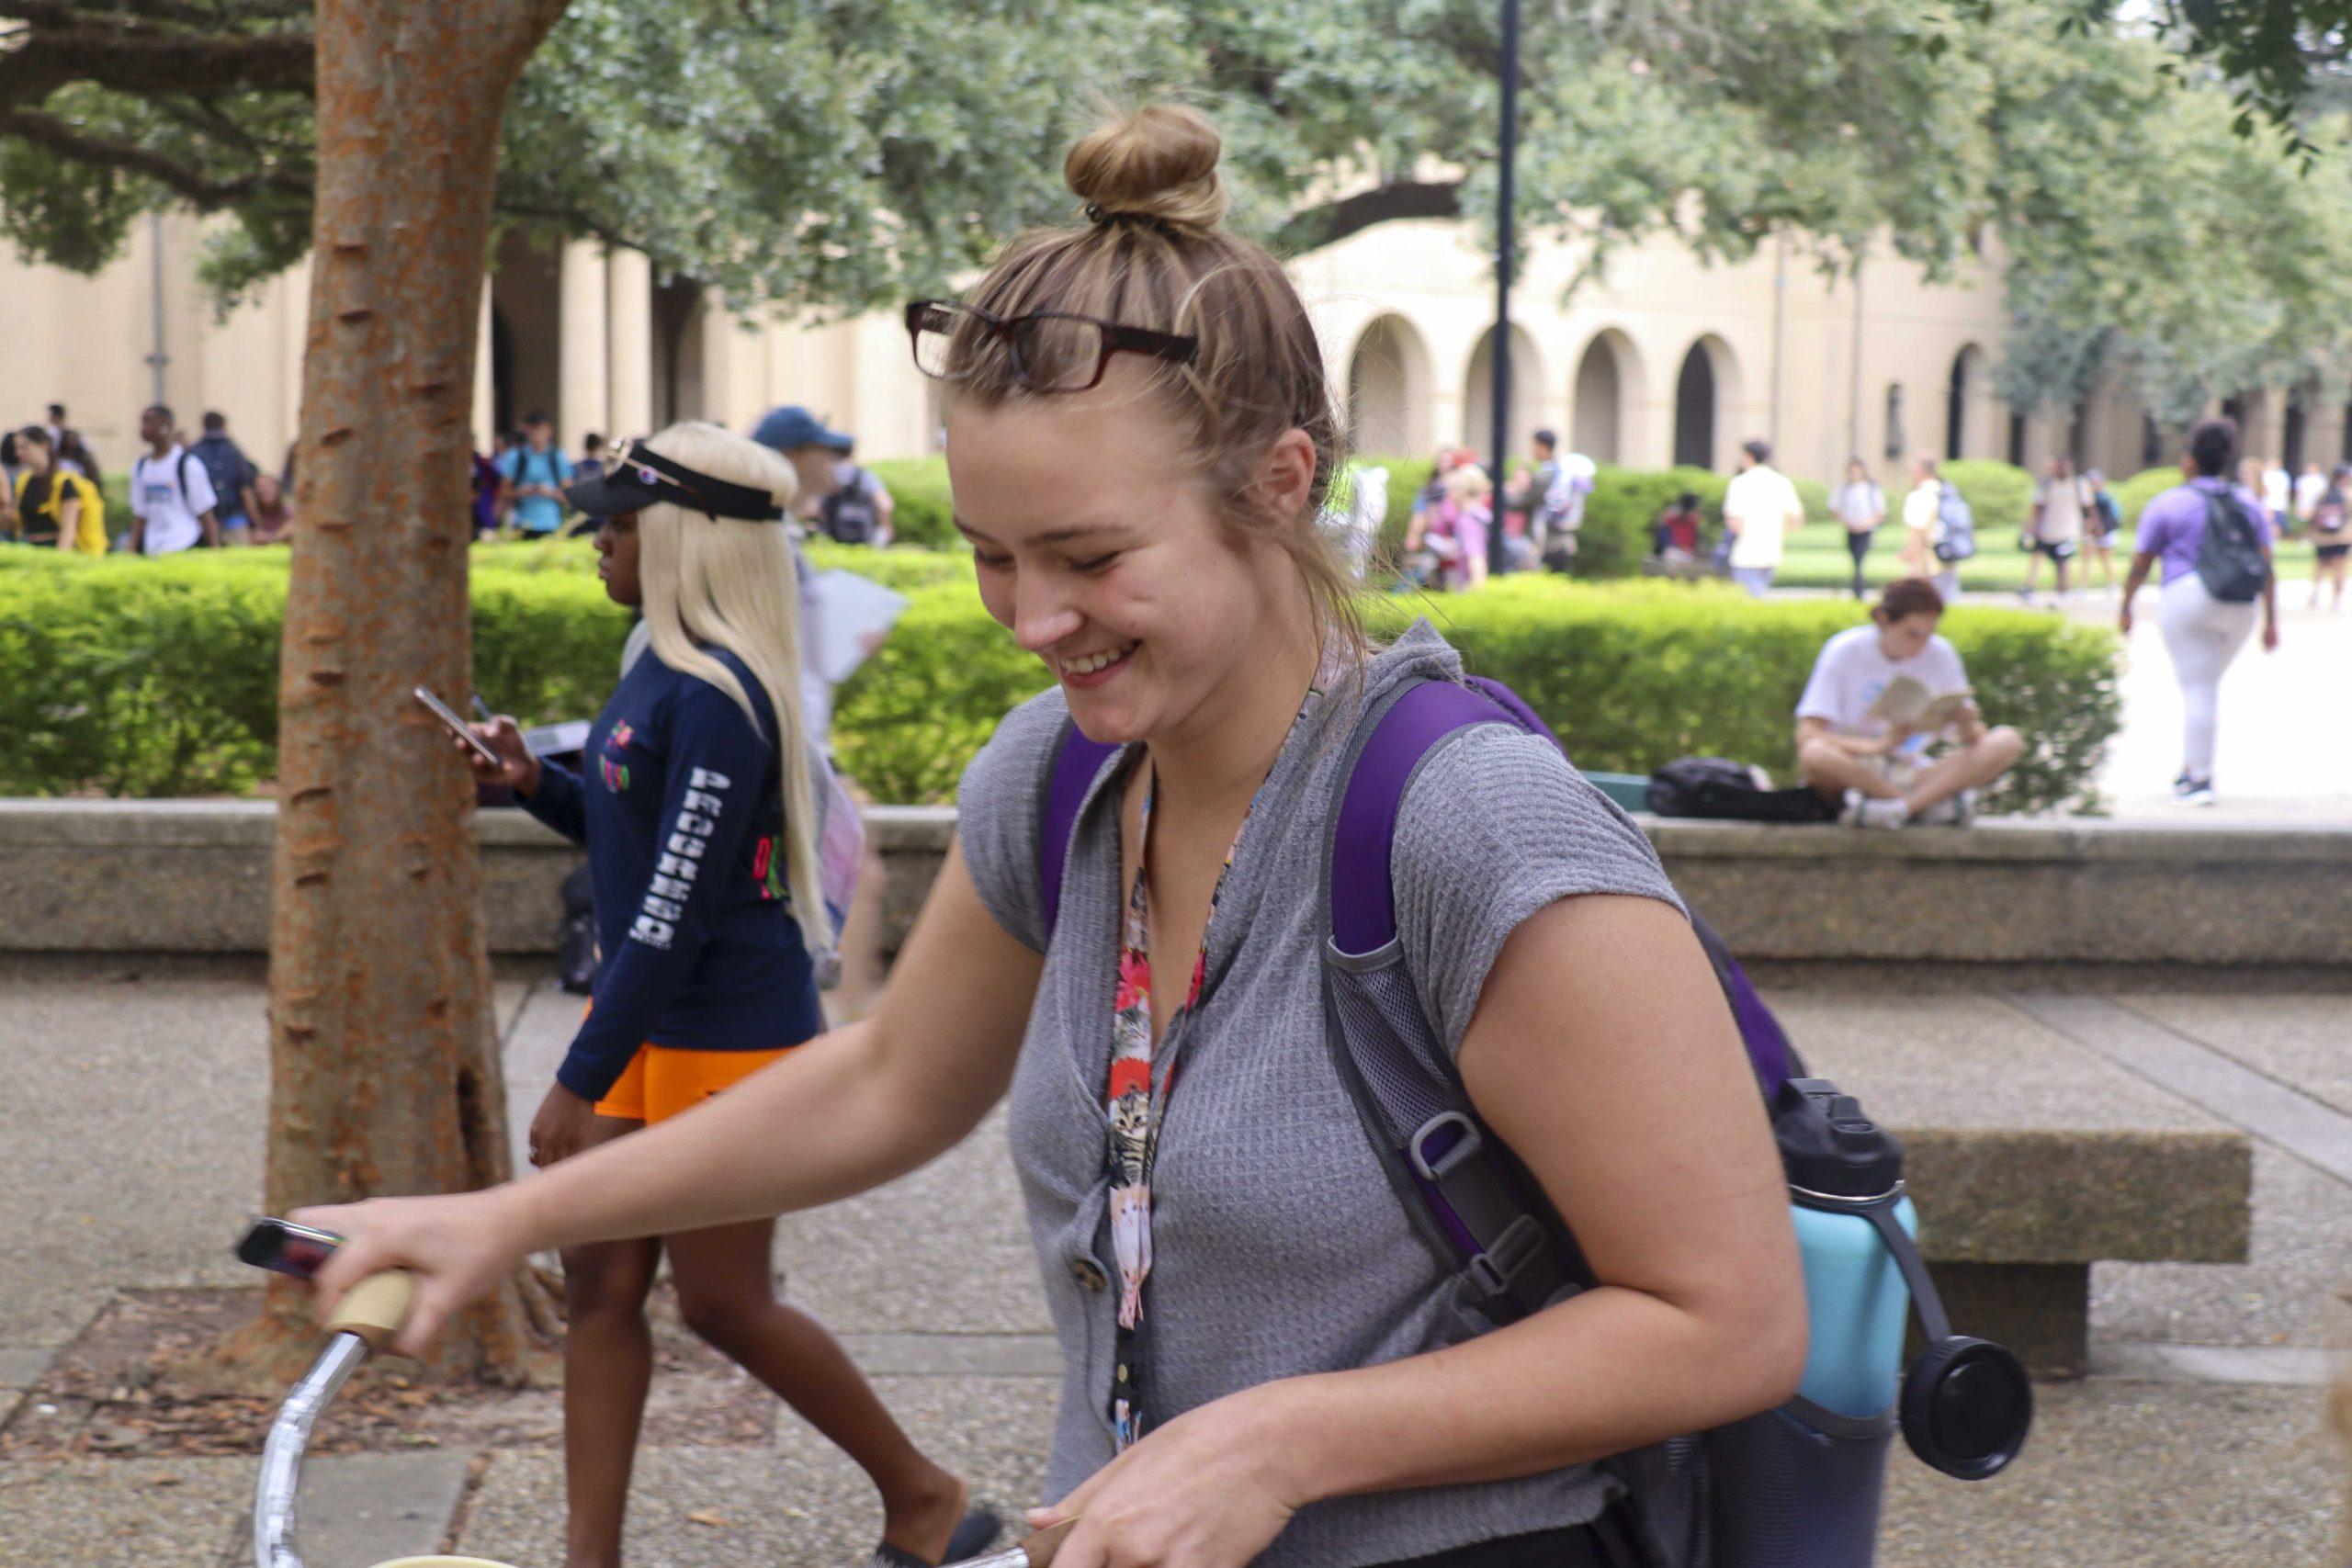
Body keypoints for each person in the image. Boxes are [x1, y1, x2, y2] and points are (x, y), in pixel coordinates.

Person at [302, 102, 1804, 1568]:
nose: (1033, 620)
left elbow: (1726, 1318)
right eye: (990, 557)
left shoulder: (1471, 825)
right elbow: (893, 1079)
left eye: (1091, 556)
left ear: (1280, 484)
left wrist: (1282, 1443)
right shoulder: (1061, 775)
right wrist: (510, 1220)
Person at [453, 422, 994, 1568]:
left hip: (725, 1038)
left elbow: (671, 910)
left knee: (721, 1303)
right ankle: (585, 1558)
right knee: (601, 1285)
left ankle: (928, 1498)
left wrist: (574, 1080)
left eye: (616, 524)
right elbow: (629, 838)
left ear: (686, 539)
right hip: (650, 1021)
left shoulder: (722, 696)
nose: (594, 542)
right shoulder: (654, 663)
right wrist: (528, 783)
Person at [2120, 416, 2280, 806]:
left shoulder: (2170, 502)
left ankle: (2200, 779)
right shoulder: (2247, 502)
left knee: (2198, 687)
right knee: (2204, 685)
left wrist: (2125, 606)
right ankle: (2191, 768)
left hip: (2187, 597)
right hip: (2241, 603)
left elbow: (2141, 562)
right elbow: (2267, 563)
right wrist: (2271, 620)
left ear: (2190, 461)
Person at [1795, 577, 2024, 828]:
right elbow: (1807, 734)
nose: (1920, 645)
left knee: (2006, 741)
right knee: (1815, 754)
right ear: (1884, 620)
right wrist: (1877, 746)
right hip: (1857, 769)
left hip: (1913, 771)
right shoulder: (1845, 650)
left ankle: (1902, 809)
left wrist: (1966, 724)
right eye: (1912, 634)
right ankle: (1920, 805)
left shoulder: (1941, 653)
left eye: (1928, 635)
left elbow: (1974, 740)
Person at [126, 404, 220, 556]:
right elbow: (140, 513)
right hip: (154, 547)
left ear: (165, 426)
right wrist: (130, 549)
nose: (143, 428)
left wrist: (215, 552)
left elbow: (205, 512)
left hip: (184, 543)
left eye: (148, 422)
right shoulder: (141, 466)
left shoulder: (187, 464)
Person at [1723, 437, 1804, 596]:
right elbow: (1796, 519)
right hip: (1772, 551)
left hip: (1745, 553)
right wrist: (1779, 532)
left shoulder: (1740, 483)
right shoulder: (1782, 482)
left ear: (1749, 456)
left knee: (1749, 600)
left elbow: (1733, 521)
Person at [8, 426, 107, 553]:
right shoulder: (23, 481)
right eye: (17, 448)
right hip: (28, 550)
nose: (18, 453)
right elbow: (17, 522)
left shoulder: (63, 482)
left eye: (24, 447)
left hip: (53, 550)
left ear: (44, 445)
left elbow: (68, 531)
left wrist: (59, 559)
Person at [495, 411, 573, 537]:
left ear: (549, 431)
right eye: (532, 431)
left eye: (540, 430)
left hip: (552, 524)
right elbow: (504, 491)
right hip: (521, 523)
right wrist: (522, 491)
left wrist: (550, 492)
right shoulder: (516, 456)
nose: (536, 435)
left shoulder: (557, 457)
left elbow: (569, 494)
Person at [2020, 456, 2085, 605]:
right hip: (2047, 530)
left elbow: (2089, 507)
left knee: (2063, 562)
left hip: (2068, 531)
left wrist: (2093, 526)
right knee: (2037, 558)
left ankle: (2063, 592)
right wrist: (2032, 528)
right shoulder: (2046, 485)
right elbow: (2037, 508)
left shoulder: (2078, 485)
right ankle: (2029, 588)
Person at [191, 412, 262, 545]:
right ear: (224, 425)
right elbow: (245, 488)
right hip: (234, 518)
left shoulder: (194, 452)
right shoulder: (234, 451)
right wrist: (256, 520)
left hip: (202, 522)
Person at [1897, 454, 1961, 602]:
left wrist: (1914, 568)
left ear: (1919, 470)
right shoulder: (1947, 492)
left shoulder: (1919, 496)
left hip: (1928, 564)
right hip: (1948, 557)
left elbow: (1918, 532)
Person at [820, 440, 896, 546]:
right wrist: (886, 527)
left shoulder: (826, 476)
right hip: (865, 540)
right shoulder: (865, 476)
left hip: (832, 541)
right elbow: (885, 505)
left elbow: (813, 510)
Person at [1831, 457, 1886, 600]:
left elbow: (1880, 512)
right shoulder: (1844, 489)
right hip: (1850, 529)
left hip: (1866, 530)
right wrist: (1847, 522)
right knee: (1855, 560)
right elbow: (1835, 509)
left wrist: (1864, 524)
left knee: (1860, 560)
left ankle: (1858, 589)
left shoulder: (1871, 488)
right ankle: (1857, 589)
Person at [2309, 464, 2350, 612]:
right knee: (2340, 567)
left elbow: (2313, 513)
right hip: (2342, 536)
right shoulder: (2348, 494)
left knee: (2321, 565)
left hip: (2322, 536)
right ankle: (2336, 599)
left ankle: (2314, 594)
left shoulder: (2324, 493)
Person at [2079, 468, 2120, 596]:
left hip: (2105, 533)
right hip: (2091, 533)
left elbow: (2113, 519)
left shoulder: (2106, 499)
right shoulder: (2086, 500)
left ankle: (2112, 584)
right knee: (2087, 561)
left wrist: (2102, 530)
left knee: (2106, 560)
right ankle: (2084, 587)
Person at [1654, 490, 1704, 563]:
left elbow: (1695, 536)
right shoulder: (1671, 515)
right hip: (1672, 550)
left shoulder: (1694, 518)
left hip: (1687, 552)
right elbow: (1661, 530)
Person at [248, 470, 294, 545]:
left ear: (278, 488)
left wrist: (272, 538)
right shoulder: (253, 514)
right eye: (259, 487)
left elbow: (293, 526)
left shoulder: (289, 509)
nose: (263, 490)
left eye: (268, 485)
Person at [2294, 460, 2328, 530]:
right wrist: (2300, 504)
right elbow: (2298, 492)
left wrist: (2317, 504)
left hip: (2316, 504)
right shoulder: (2302, 479)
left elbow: (2323, 492)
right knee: (2304, 521)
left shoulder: (2321, 480)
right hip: (2304, 503)